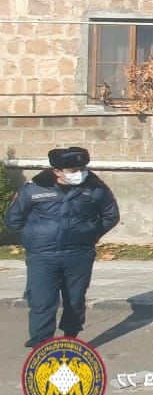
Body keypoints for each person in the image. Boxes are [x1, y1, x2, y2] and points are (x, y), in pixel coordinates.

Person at [4, 147, 120, 348]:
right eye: (73, 170)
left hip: (79, 254)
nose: (80, 173)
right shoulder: (34, 189)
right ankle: (42, 345)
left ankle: (70, 337)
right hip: (43, 255)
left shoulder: (96, 188)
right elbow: (14, 219)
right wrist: (35, 237)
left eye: (82, 168)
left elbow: (111, 216)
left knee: (75, 300)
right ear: (57, 171)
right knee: (42, 301)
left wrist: (90, 234)